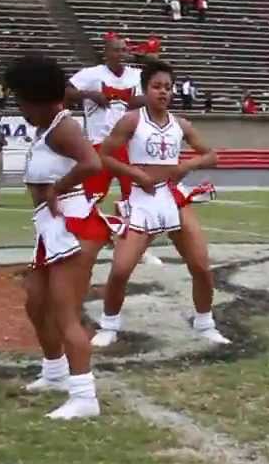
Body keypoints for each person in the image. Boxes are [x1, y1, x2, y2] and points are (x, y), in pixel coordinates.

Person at [89, 59, 227, 349]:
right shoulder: (132, 120)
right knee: (121, 269)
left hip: (173, 197)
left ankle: (205, 323)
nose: (163, 92)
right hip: (142, 200)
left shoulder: (182, 125)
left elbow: (212, 155)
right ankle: (109, 325)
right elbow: (105, 156)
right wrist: (135, 174)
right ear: (145, 89)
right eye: (156, 87)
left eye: (167, 87)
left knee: (201, 267)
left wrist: (185, 166)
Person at [8, 53, 111, 419]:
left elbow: (92, 164)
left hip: (73, 225)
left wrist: (58, 188)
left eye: (21, 100)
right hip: (52, 227)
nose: (19, 109)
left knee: (65, 311)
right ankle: (54, 373)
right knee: (36, 301)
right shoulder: (48, 127)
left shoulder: (63, 128)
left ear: (37, 98)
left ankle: (84, 396)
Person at [66, 35, 144, 206]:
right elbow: (67, 92)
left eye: (124, 50)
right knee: (90, 199)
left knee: (134, 198)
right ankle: (84, 230)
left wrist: (138, 100)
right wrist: (88, 94)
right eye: (116, 50)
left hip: (129, 144)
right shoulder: (91, 74)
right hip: (99, 143)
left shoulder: (137, 75)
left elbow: (158, 95)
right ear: (106, 52)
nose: (121, 54)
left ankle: (131, 230)